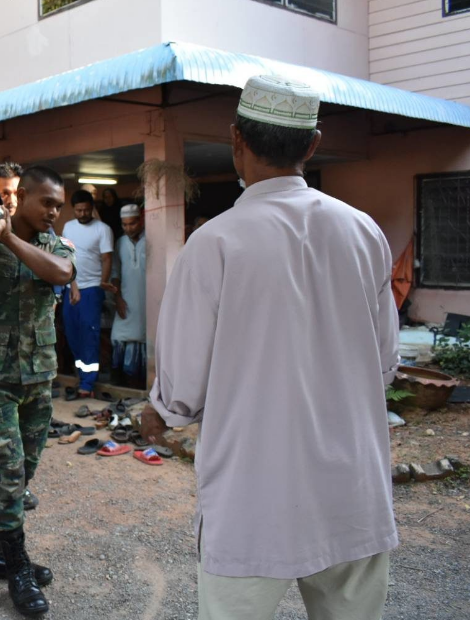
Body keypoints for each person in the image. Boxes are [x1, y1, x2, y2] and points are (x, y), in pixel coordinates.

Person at [146, 76, 399, 620]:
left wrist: (160, 414)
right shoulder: (364, 233)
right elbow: (382, 365)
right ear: (312, 144)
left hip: (251, 496)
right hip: (352, 489)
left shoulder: (214, 242)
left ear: (236, 139)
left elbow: (183, 387)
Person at [0, 166, 76, 617]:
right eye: (46, 202)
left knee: (23, 471)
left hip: (38, 378)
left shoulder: (53, 245)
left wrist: (8, 240)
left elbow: (62, 273)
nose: (53, 212)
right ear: (20, 198)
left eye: (59, 205)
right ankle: (17, 564)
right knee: (8, 466)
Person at [60, 190, 114, 397]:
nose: (82, 213)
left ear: (92, 208)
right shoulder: (68, 227)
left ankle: (88, 384)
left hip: (92, 288)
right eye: (78, 210)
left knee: (89, 334)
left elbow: (106, 258)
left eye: (86, 210)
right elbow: (66, 256)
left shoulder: (103, 229)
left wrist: (103, 283)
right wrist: (71, 284)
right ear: (73, 209)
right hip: (70, 287)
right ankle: (82, 375)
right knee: (72, 333)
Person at [110, 204, 146, 389]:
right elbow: (115, 272)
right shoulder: (120, 243)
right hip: (126, 299)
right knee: (118, 336)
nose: (128, 228)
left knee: (144, 337)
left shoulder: (150, 240)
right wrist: (118, 299)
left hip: (147, 301)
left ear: (140, 221)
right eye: (124, 225)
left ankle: (140, 387)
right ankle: (121, 387)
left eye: (132, 224)